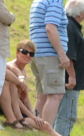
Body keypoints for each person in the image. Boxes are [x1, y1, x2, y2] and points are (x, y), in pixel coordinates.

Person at [0, 41, 84, 136]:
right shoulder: (11, 67)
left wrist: (32, 114)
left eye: (31, 54)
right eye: (24, 52)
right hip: (10, 109)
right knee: (44, 126)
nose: (27, 56)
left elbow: (26, 96)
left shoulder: (23, 70)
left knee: (45, 126)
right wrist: (32, 116)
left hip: (19, 109)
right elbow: (15, 99)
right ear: (17, 52)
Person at [29, 0, 69, 128]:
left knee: (42, 96)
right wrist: (62, 54)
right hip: (50, 54)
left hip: (37, 53)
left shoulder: (38, 2)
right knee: (55, 95)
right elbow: (50, 28)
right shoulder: (54, 2)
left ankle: (36, 128)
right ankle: (46, 130)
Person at [54, 0, 84, 136]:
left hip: (69, 79)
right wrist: (72, 76)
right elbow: (69, 54)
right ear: (81, 13)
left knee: (65, 114)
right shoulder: (70, 27)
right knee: (67, 115)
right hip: (70, 81)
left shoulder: (69, 25)